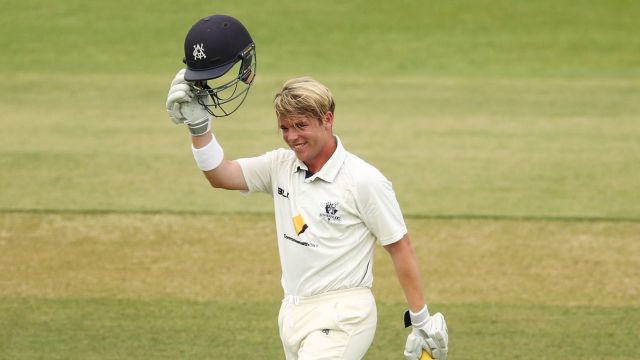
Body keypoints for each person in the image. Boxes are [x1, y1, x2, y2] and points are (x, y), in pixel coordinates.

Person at [166, 14, 448, 360]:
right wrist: (198, 128)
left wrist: (421, 319)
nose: (292, 137)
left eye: (301, 125)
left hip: (344, 313)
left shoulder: (363, 180)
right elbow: (221, 175)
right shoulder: (280, 166)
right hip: (293, 312)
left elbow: (400, 246)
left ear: (327, 119)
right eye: (285, 128)